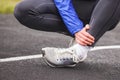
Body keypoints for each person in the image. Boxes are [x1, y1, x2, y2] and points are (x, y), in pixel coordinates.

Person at [14, 0, 120, 67]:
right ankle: (82, 38)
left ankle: (80, 50)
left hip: (108, 7)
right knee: (23, 10)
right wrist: (76, 29)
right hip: (78, 6)